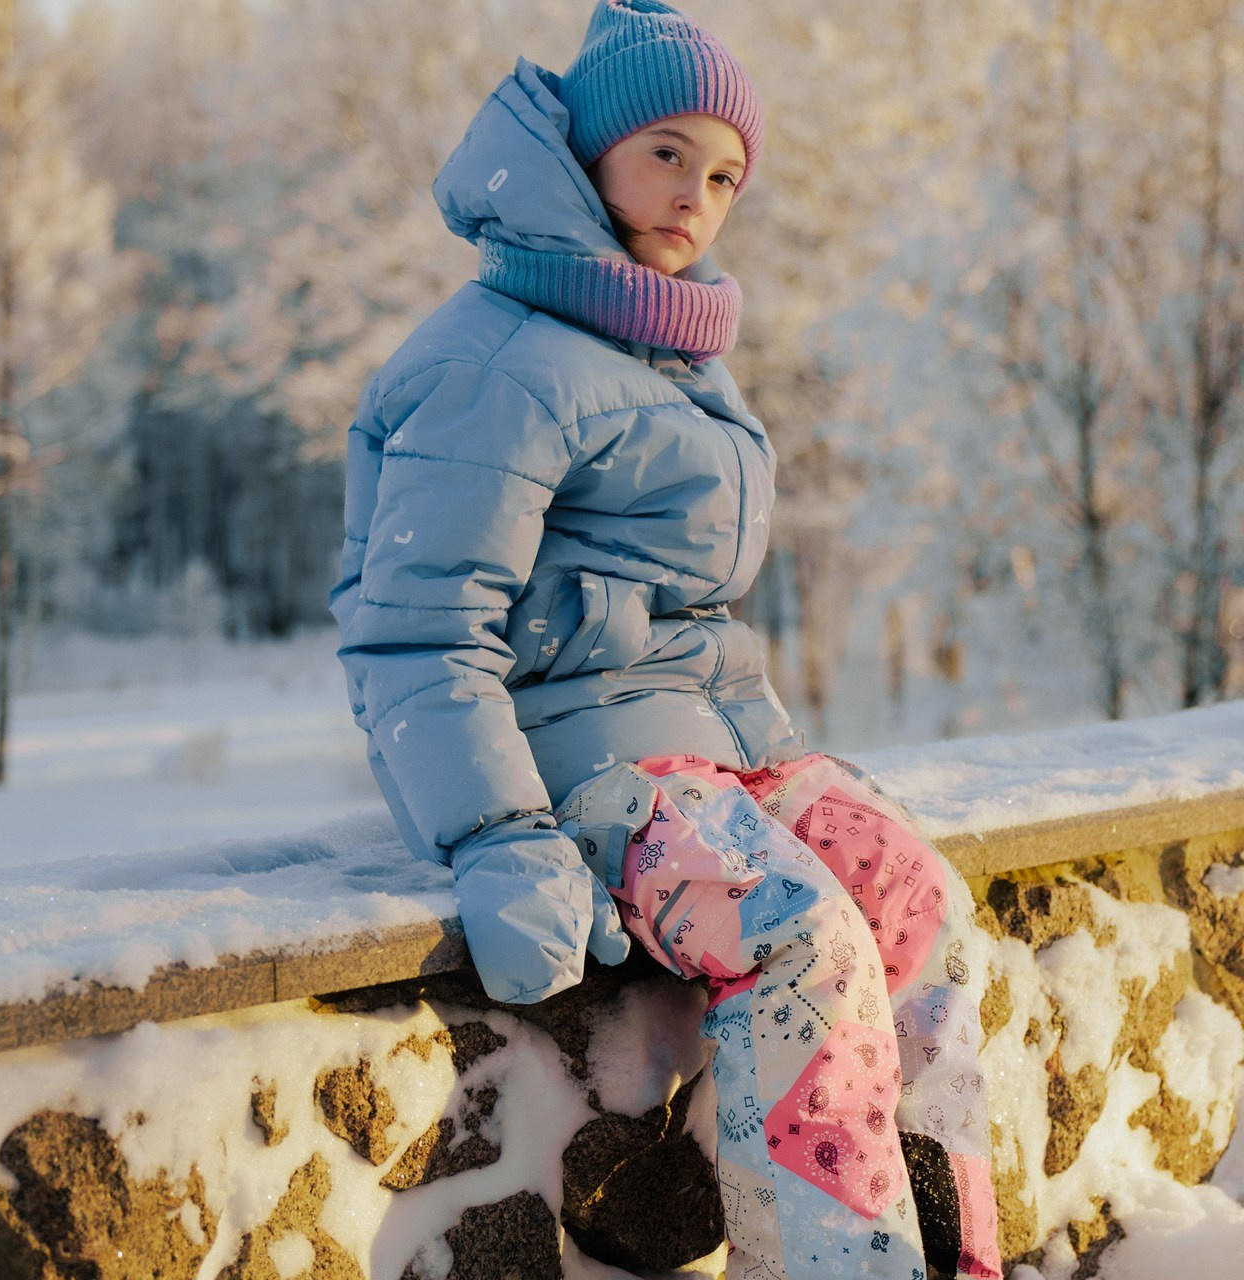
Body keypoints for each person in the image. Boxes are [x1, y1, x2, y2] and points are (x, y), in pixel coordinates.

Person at [331, 3, 1002, 1277]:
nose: (698, 192)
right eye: (665, 152)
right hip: (587, 778)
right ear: (580, 155)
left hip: (708, 753)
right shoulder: (497, 359)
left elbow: (683, 614)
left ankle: (947, 1252)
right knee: (799, 935)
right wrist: (496, 833)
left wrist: (785, 772)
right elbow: (414, 630)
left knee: (921, 900)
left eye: (725, 173)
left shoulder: (670, 345)